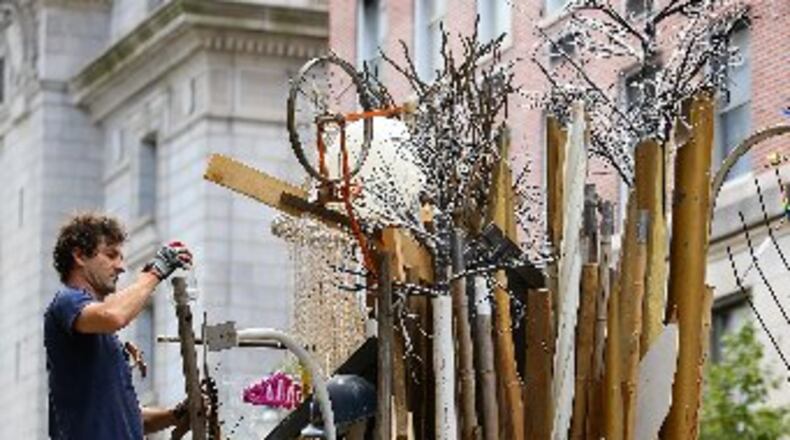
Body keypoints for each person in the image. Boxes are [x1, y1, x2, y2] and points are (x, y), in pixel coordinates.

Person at [44, 213, 195, 439]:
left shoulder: (102, 338)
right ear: (79, 256)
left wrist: (176, 415)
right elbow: (114, 316)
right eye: (111, 255)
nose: (120, 267)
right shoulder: (67, 301)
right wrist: (154, 273)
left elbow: (129, 418)